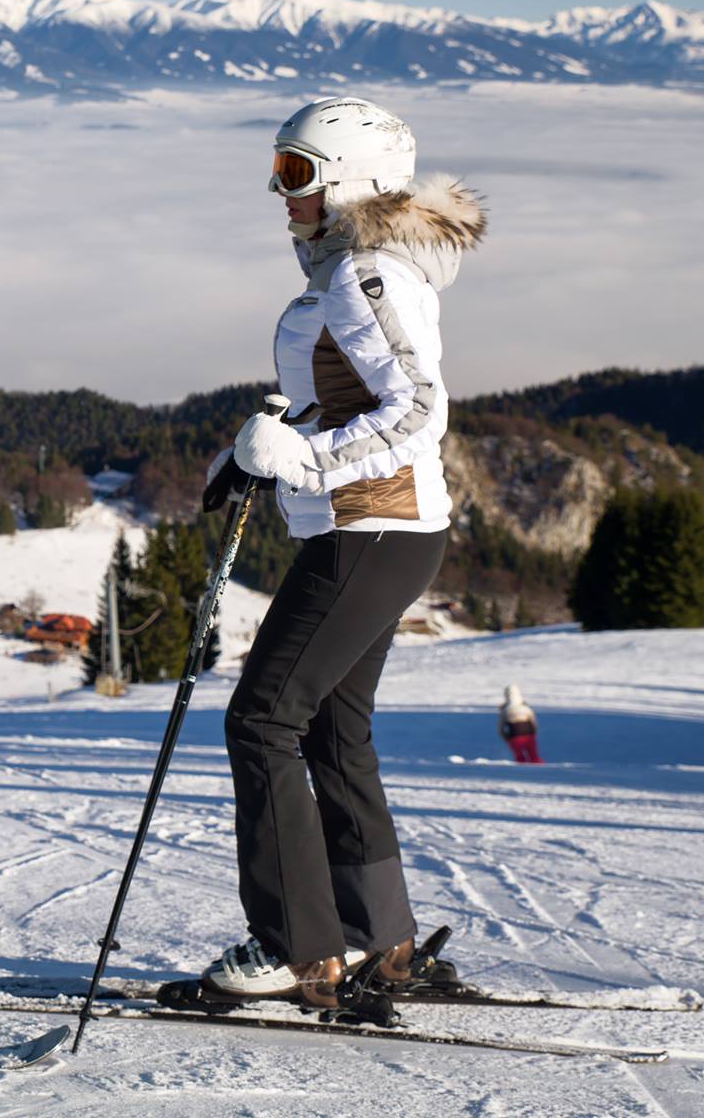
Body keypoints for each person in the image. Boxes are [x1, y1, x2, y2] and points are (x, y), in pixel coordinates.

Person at [197, 97, 486, 1012]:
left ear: (348, 182)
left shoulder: (368, 274)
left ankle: (299, 949)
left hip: (374, 528)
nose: (277, 189)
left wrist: (309, 459)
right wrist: (258, 446)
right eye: (279, 168)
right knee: (327, 727)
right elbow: (346, 392)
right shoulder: (350, 271)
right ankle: (377, 937)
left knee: (262, 722)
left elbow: (415, 413)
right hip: (375, 530)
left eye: (294, 172)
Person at [500, 684, 541, 763]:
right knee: (534, 756)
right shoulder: (526, 708)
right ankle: (541, 772)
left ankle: (522, 773)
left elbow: (501, 728)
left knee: (520, 758)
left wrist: (506, 738)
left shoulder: (505, 710)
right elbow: (533, 722)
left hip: (514, 736)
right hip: (529, 735)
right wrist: (534, 733)